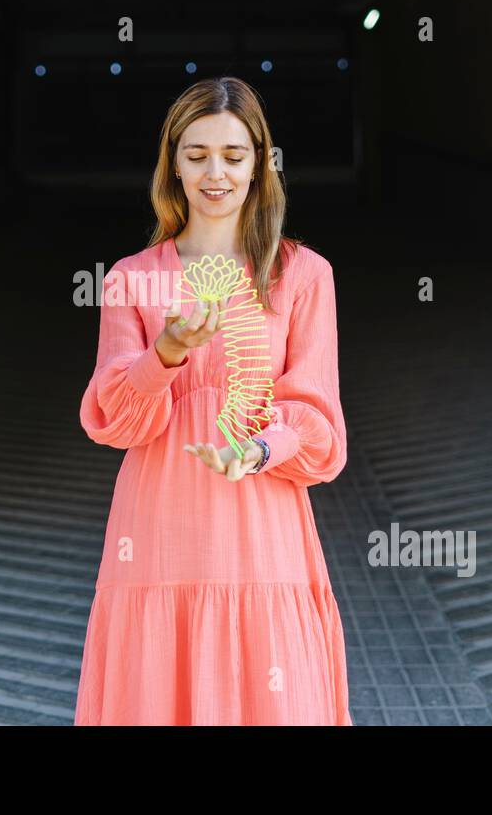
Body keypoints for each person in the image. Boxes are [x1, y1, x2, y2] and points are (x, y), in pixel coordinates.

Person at [74, 76, 352, 725]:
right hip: (156, 537)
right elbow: (115, 418)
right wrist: (166, 352)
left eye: (233, 155)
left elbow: (320, 426)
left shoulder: (304, 276)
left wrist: (256, 449)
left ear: (260, 164)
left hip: (264, 535)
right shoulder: (130, 280)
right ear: (173, 163)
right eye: (196, 155)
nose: (215, 173)